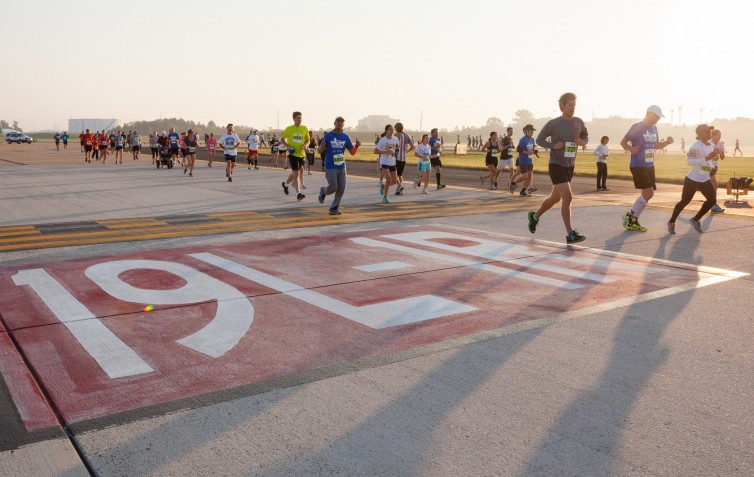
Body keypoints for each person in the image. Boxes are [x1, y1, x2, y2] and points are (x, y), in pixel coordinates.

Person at [527, 92, 588, 244]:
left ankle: (534, 217)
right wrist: (554, 145)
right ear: (562, 106)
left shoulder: (579, 122)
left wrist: (582, 141)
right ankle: (570, 234)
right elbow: (540, 140)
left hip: (569, 165)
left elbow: (586, 137)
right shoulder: (553, 124)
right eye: (570, 105)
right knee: (568, 196)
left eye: (574, 105)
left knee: (555, 198)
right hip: (556, 164)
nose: (573, 108)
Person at [619, 105, 674, 232]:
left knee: (646, 195)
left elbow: (656, 145)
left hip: (649, 165)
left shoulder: (654, 128)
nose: (658, 120)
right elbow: (623, 142)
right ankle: (630, 216)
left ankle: (633, 220)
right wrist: (630, 149)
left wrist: (667, 143)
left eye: (659, 118)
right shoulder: (637, 127)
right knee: (649, 193)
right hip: (638, 165)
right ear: (649, 114)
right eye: (657, 117)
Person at [667, 124, 719, 234]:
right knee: (685, 201)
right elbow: (689, 162)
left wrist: (712, 167)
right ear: (701, 134)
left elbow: (708, 162)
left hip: (704, 179)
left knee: (712, 200)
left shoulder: (709, 145)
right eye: (708, 131)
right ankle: (671, 222)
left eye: (710, 131)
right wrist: (707, 158)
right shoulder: (695, 146)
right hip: (693, 179)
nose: (710, 133)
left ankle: (695, 219)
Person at [317, 116, 360, 215]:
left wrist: (357, 146)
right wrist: (322, 145)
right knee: (333, 187)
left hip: (341, 166)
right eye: (338, 122)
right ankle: (324, 191)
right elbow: (319, 151)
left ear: (343, 125)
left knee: (341, 188)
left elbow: (352, 152)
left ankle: (334, 208)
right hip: (330, 166)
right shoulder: (328, 136)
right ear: (334, 123)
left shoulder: (346, 137)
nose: (340, 124)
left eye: (342, 123)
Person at [279, 111, 310, 201]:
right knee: (296, 173)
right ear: (293, 119)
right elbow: (282, 139)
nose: (299, 120)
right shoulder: (289, 129)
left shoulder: (304, 128)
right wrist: (288, 146)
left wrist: (306, 145)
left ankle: (285, 184)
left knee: (297, 172)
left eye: (301, 118)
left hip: (301, 154)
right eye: (297, 118)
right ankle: (298, 194)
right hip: (293, 154)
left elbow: (308, 140)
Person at [375, 124, 399, 203]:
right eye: (390, 130)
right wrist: (385, 151)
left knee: (395, 181)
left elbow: (397, 149)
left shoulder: (395, 139)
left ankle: (383, 187)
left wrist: (395, 152)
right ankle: (385, 197)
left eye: (393, 130)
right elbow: (375, 151)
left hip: (392, 161)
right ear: (386, 131)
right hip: (384, 161)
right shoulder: (383, 140)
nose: (392, 131)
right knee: (388, 179)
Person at [511, 125, 537, 196]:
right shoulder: (522, 139)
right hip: (523, 160)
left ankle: (523, 191)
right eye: (531, 131)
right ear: (527, 131)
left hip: (530, 160)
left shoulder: (532, 139)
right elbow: (518, 149)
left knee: (529, 176)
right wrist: (527, 152)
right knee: (525, 176)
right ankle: (513, 183)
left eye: (533, 131)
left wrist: (534, 151)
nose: (532, 132)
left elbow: (532, 148)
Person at [393, 122, 415, 195]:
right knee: (400, 174)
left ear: (396, 128)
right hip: (404, 158)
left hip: (397, 157)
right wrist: (406, 152)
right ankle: (400, 190)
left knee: (394, 174)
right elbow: (412, 146)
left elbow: (392, 145)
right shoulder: (407, 135)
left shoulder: (396, 135)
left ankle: (400, 186)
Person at [709, 128, 726, 213]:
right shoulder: (708, 143)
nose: (720, 137)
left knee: (708, 185)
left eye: (720, 135)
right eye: (718, 135)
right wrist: (713, 153)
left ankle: (711, 203)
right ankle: (713, 205)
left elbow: (722, 158)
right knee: (714, 185)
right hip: (707, 166)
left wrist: (720, 153)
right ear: (713, 135)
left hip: (714, 166)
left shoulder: (720, 144)